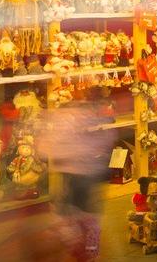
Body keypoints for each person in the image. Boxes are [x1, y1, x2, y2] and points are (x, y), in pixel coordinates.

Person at [40, 94, 117, 260]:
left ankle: (84, 249)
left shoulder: (73, 119)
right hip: (84, 176)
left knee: (75, 213)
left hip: (81, 176)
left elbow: (49, 148)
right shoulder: (89, 120)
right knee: (82, 214)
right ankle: (87, 249)